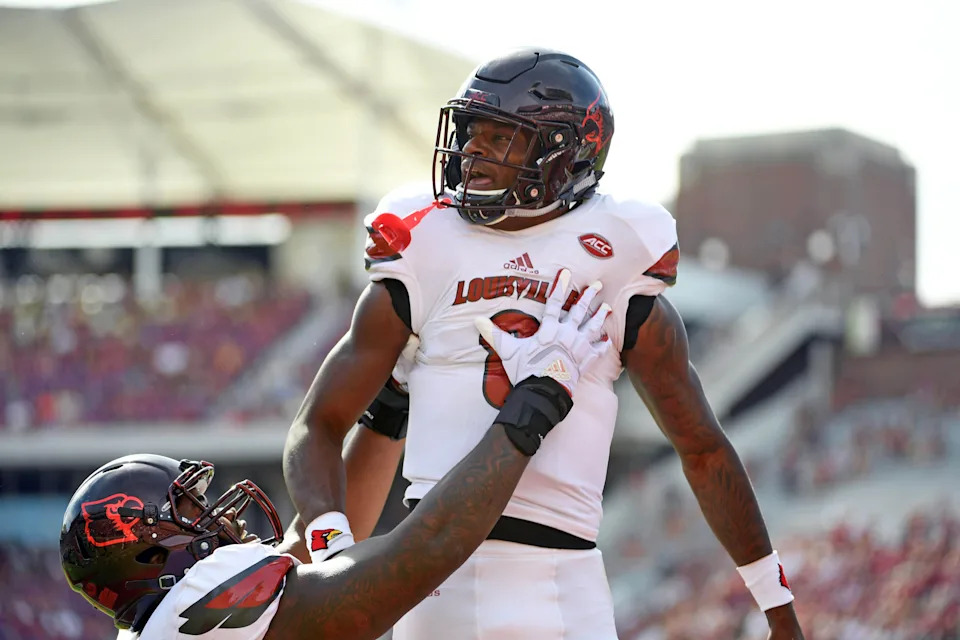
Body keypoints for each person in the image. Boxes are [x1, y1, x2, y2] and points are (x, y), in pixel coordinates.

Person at [283, 48, 805, 639]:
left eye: (500, 136)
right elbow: (317, 423)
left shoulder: (619, 254)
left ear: (565, 152)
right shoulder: (422, 243)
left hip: (559, 586)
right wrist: (328, 541)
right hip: (424, 583)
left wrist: (775, 603)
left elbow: (702, 448)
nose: (472, 150)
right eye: (470, 132)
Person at [59, 270, 610, 640]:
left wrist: (391, 402)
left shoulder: (170, 620)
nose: (213, 514)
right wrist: (536, 403)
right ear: (152, 558)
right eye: (187, 510)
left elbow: (317, 547)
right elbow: (418, 556)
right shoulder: (199, 609)